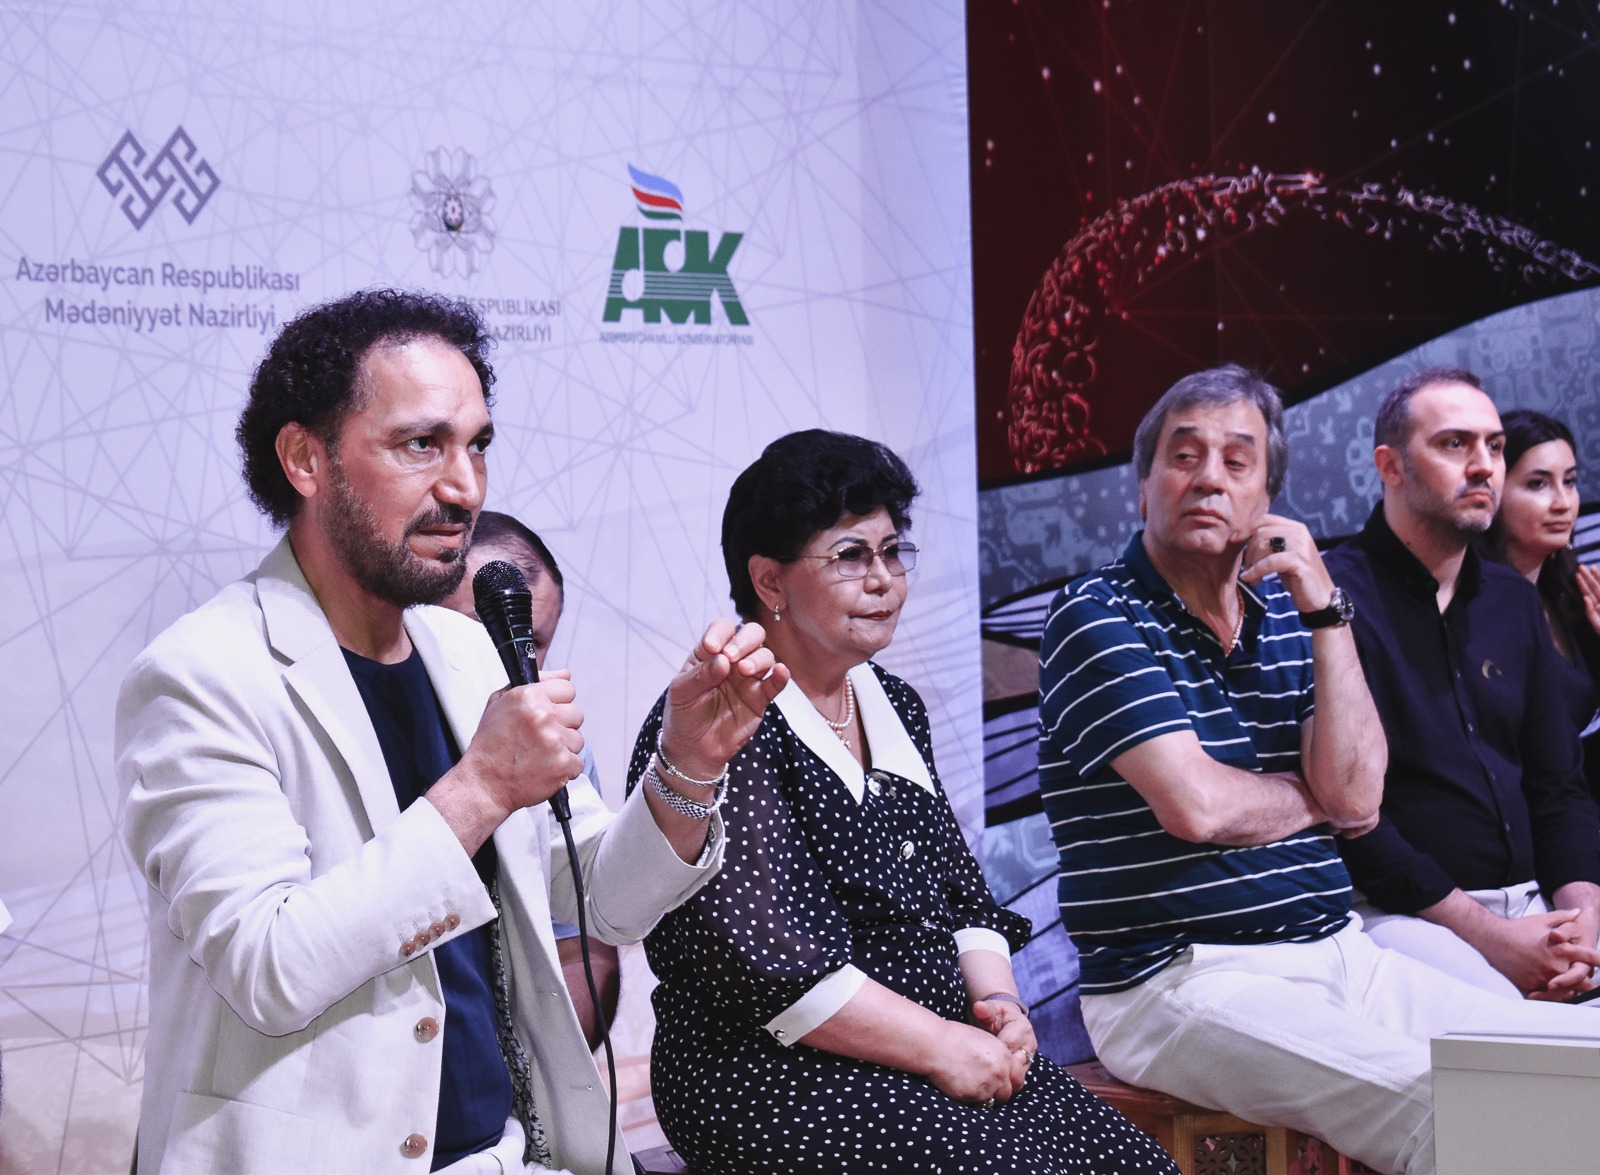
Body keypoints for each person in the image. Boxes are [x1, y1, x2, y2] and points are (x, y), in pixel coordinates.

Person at [117, 289, 785, 1175]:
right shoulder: (201, 673)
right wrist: (481, 787)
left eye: (478, 445)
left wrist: (687, 765)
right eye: (420, 444)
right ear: (305, 458)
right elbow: (269, 967)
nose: (464, 487)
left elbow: (604, 899)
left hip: (514, 1153)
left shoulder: (467, 652)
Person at [1039, 364, 1598, 1175]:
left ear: (1268, 495)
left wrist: (1327, 612)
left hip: (1341, 950)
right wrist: (1316, 798)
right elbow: (1198, 807)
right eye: (1184, 456)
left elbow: (1360, 796)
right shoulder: (1096, 614)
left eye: (1237, 460)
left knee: (1577, 1060)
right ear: (1143, 487)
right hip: (1181, 977)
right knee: (1459, 1103)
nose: (1209, 477)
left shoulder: (1289, 614)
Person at [628, 430, 1176, 1175]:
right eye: (852, 556)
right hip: (769, 1066)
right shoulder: (723, 717)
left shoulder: (893, 702)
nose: (884, 579)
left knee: (1136, 1164)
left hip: (939, 1041)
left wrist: (1001, 1006)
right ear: (770, 581)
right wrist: (944, 1046)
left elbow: (961, 892)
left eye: (892, 551)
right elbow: (768, 964)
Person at [1325, 372, 1600, 1001]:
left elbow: (1560, 790)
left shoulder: (1512, 601)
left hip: (1537, 903)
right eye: (1455, 444)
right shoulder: (1330, 598)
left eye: (1495, 447)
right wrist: (1494, 937)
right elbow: (1352, 821)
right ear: (1390, 466)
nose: (1483, 466)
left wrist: (1584, 917)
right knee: (1523, 1034)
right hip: (1400, 915)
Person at [442, 510, 620, 1052]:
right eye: (479, 630)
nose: (503, 656)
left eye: (529, 640)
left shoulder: (561, 747)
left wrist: (536, 1071)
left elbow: (585, 942)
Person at [1483, 409, 1600, 800]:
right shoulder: (1475, 609)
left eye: (1570, 482)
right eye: (1538, 484)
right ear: (1493, 494)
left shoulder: (1570, 591)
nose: (1563, 503)